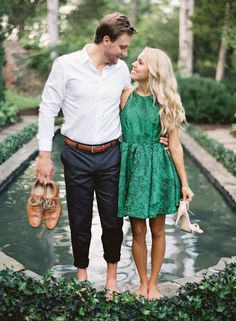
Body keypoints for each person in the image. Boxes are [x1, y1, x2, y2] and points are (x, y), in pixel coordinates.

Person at [35, 13, 167, 292]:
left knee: (112, 220)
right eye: (122, 47)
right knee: (79, 219)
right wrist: (44, 155)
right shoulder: (66, 65)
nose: (125, 53)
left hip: (111, 155)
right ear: (106, 41)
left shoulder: (120, 71)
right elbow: (47, 108)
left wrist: (158, 137)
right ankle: (82, 277)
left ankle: (111, 279)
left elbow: (136, 105)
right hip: (75, 154)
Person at [118, 47, 194, 300]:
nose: (134, 63)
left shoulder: (166, 103)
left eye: (140, 61)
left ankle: (154, 283)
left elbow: (174, 145)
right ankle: (141, 283)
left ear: (154, 70)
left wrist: (185, 183)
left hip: (159, 170)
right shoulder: (124, 95)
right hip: (133, 169)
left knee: (158, 230)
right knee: (137, 231)